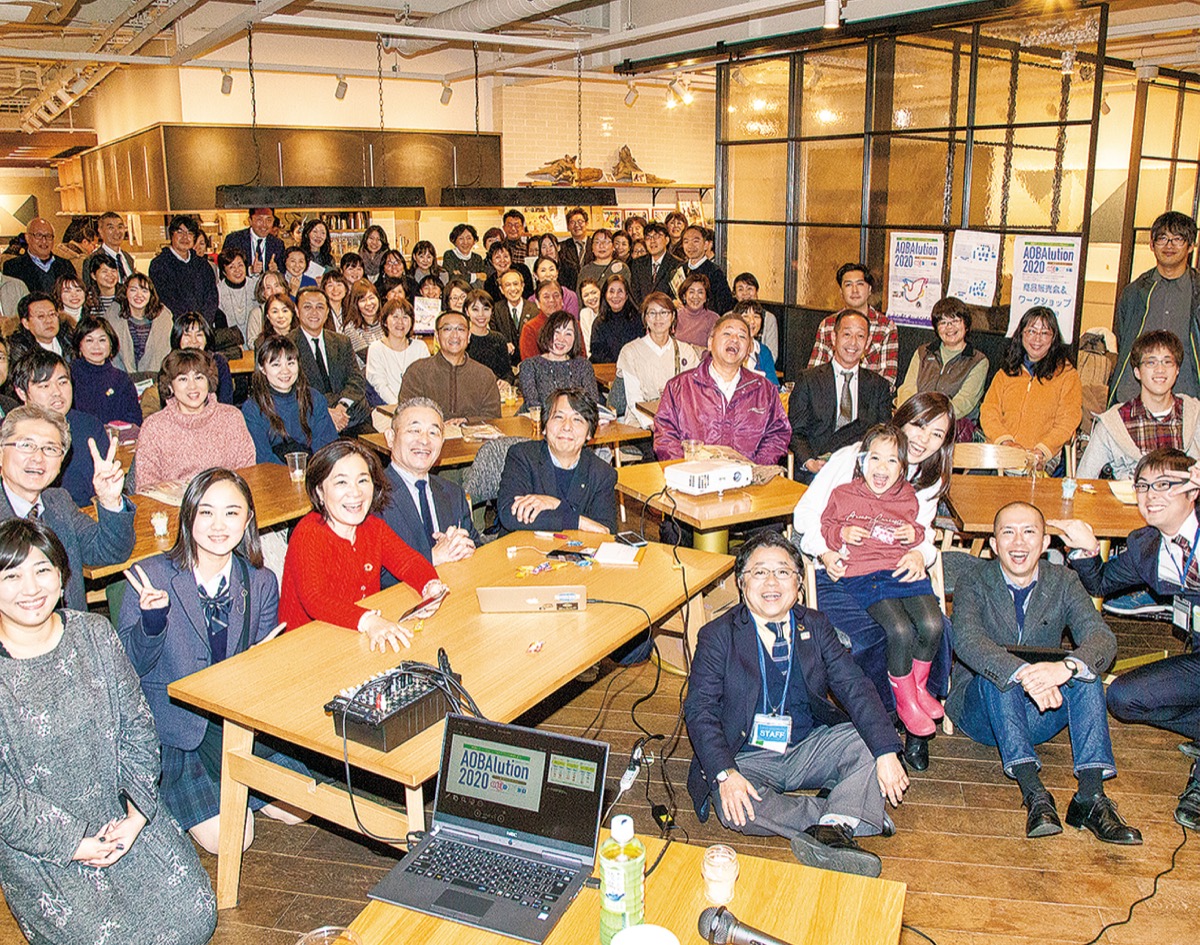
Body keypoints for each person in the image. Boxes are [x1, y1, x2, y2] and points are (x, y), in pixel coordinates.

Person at [0, 517, 217, 945]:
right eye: (12, 576)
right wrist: (74, 842)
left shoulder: (94, 633)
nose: (31, 588)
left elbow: (138, 726)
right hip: (44, 842)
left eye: (42, 570)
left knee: (195, 919)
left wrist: (136, 814)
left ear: (62, 576)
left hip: (119, 811)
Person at [684, 530, 907, 877]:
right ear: (742, 583)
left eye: (783, 572)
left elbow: (855, 686)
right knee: (735, 810)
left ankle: (842, 817)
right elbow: (699, 710)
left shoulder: (815, 625)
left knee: (870, 743)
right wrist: (726, 774)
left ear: (799, 584)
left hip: (807, 746)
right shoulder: (717, 636)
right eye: (759, 572)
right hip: (747, 757)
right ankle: (844, 817)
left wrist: (885, 752)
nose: (772, 582)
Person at [117, 468, 308, 855]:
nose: (219, 525)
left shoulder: (259, 580)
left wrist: (261, 662)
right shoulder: (152, 576)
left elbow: (263, 662)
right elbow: (127, 670)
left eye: (231, 513)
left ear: (248, 520)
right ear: (188, 516)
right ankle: (188, 799)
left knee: (300, 809)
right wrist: (152, 623)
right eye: (206, 512)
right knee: (233, 838)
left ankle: (237, 792)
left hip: (230, 721)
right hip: (178, 731)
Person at [949, 501, 1140, 843]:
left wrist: (1065, 668)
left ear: (1045, 542)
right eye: (1008, 533)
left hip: (1041, 713)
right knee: (998, 674)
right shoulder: (973, 580)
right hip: (981, 713)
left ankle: (1091, 797)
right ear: (993, 544)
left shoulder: (1064, 580)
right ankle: (1034, 793)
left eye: (1029, 532)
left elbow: (1102, 639)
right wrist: (1025, 674)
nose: (1018, 543)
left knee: (1085, 671)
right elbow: (967, 640)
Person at [793, 392, 955, 769]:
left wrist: (920, 553)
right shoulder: (853, 458)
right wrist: (826, 551)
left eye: (937, 434)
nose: (923, 439)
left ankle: (915, 721)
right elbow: (805, 518)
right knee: (877, 634)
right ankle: (883, 721)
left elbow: (923, 534)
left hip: (894, 572)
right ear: (902, 420)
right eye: (919, 425)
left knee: (937, 626)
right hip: (840, 570)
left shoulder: (927, 480)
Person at [1052, 447, 1200, 831]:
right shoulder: (1146, 546)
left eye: (1164, 484)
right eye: (1143, 486)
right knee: (1121, 697)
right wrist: (1086, 546)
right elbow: (1101, 582)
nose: (1151, 495)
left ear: (1193, 489)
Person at [819, 424, 945, 741]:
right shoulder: (843, 494)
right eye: (875, 458)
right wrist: (841, 533)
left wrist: (913, 534)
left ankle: (917, 688)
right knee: (899, 630)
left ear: (902, 468)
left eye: (892, 461)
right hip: (866, 574)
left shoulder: (908, 496)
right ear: (862, 461)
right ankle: (905, 701)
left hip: (901, 570)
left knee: (932, 624)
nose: (882, 468)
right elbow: (826, 526)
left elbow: (919, 530)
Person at [279, 440, 442, 644]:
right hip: (308, 644)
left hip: (355, 634)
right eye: (341, 482)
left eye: (363, 480)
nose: (355, 492)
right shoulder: (308, 533)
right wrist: (368, 621)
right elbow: (315, 598)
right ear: (320, 491)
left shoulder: (373, 527)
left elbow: (408, 562)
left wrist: (430, 586)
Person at [0, 404, 134, 610]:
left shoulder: (59, 502)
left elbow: (110, 552)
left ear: (62, 460)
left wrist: (110, 501)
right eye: (26, 445)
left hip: (70, 626)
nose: (38, 458)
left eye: (50, 449)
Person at [655, 314, 791, 465]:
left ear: (748, 350)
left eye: (742, 336)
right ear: (710, 343)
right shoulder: (679, 387)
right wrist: (687, 469)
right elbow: (665, 436)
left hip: (747, 476)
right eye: (727, 333)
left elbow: (777, 433)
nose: (734, 339)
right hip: (694, 475)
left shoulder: (764, 390)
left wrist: (756, 468)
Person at [1078, 330, 1200, 480]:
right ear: (1137, 372)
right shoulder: (1114, 423)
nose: (1160, 370)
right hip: (1131, 493)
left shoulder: (1194, 415)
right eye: (1151, 362)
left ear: (1177, 370)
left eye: (1167, 362)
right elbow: (1083, 479)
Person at [789, 310, 893, 482]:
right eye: (847, 334)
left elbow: (884, 435)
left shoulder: (878, 386)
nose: (853, 342)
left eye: (860, 336)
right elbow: (795, 431)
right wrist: (810, 462)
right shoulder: (808, 380)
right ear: (834, 338)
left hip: (860, 473)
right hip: (816, 470)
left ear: (867, 342)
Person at [497, 387, 616, 535]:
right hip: (523, 547)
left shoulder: (602, 473)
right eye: (559, 417)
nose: (567, 426)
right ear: (544, 426)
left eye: (577, 419)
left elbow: (605, 530)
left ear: (589, 433)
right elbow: (509, 514)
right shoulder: (523, 456)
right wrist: (577, 521)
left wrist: (555, 504)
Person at [380, 397, 481, 569]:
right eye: (414, 430)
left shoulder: (453, 493)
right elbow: (371, 574)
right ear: (390, 438)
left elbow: (476, 548)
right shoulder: (373, 496)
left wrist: (464, 549)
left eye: (433, 433)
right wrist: (432, 558)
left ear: (442, 442)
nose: (424, 440)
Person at [1110, 211, 1200, 404]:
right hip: (1133, 397)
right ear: (1152, 245)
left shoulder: (1197, 292)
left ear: (1191, 245)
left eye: (1178, 239)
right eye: (1162, 238)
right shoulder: (1134, 292)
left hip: (1188, 399)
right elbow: (1123, 337)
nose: (1169, 245)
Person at [979, 306, 1082, 473]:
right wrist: (1005, 442)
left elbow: (1068, 421)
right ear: (1021, 334)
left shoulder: (1067, 375)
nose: (1037, 339)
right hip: (1000, 450)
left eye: (1045, 333)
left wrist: (1042, 450)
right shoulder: (1006, 372)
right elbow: (988, 411)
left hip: (1041, 456)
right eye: (1031, 331)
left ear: (1053, 338)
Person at [135, 349, 255, 490]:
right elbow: (145, 487)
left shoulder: (231, 418)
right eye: (183, 379)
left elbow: (248, 475)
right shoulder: (154, 428)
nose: (192, 386)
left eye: (199, 377)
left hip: (226, 499)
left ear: (208, 382)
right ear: (170, 386)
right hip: (172, 503)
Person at [10, 349, 110, 507]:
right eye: (44, 386)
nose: (57, 392)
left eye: (63, 382)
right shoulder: (8, 433)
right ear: (22, 393)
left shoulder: (90, 427)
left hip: (84, 516)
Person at [896, 296, 989, 442]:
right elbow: (907, 388)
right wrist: (913, 416)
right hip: (915, 422)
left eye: (955, 321)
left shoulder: (978, 361)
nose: (949, 327)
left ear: (966, 324)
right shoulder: (923, 352)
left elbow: (964, 402)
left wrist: (930, 420)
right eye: (943, 322)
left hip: (952, 431)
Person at [242, 334, 340, 464]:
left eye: (291, 363)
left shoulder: (315, 399)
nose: (285, 371)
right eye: (276, 364)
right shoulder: (252, 409)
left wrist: (311, 473)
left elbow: (327, 450)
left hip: (314, 470)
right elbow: (263, 457)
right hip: (273, 473)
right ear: (262, 368)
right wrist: (294, 472)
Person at [615, 292, 703, 429]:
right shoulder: (630, 351)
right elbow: (634, 399)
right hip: (641, 424)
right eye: (652, 313)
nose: (658, 318)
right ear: (645, 318)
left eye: (664, 312)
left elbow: (694, 393)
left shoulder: (686, 351)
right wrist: (652, 424)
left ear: (673, 316)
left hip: (678, 420)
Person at [291, 285, 370, 435]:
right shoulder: (287, 346)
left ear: (327, 311)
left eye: (320, 307)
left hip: (350, 416)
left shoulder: (341, 342)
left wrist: (342, 406)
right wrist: (326, 412)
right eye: (307, 307)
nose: (314, 312)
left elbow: (356, 379)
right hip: (312, 420)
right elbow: (293, 391)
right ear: (296, 310)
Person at [399, 310, 502, 423]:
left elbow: (493, 417)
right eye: (447, 329)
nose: (455, 335)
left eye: (460, 329)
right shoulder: (417, 372)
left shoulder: (485, 375)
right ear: (437, 336)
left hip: (474, 434)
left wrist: (466, 421)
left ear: (468, 336)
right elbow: (407, 414)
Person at [808, 263, 898, 390]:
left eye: (860, 284)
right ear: (841, 292)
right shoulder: (828, 325)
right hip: (831, 394)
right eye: (848, 285)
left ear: (870, 289)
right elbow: (814, 372)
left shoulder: (886, 327)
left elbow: (887, 380)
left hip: (869, 397)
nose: (854, 290)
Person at [70, 316, 143, 427]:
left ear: (111, 344)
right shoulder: (69, 376)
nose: (96, 346)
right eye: (89, 340)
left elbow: (135, 421)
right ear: (79, 345)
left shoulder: (122, 380)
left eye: (102, 340)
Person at [519, 310, 599, 410]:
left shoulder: (583, 365)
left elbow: (592, 404)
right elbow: (533, 406)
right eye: (557, 332)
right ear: (547, 332)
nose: (561, 339)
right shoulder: (530, 366)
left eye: (568, 334)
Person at [147, 215, 219, 324]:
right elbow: (165, 299)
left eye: (190, 233)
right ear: (171, 234)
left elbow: (212, 297)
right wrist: (187, 325)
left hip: (202, 327)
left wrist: (202, 323)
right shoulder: (159, 265)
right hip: (174, 326)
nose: (185, 237)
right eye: (180, 232)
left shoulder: (203, 265)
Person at [365, 297, 431, 403]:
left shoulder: (420, 347)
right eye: (395, 317)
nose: (400, 322)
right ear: (385, 322)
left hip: (417, 407)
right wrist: (399, 408)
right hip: (386, 407)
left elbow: (427, 383)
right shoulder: (376, 349)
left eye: (405, 317)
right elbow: (380, 386)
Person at [107, 271, 173, 374]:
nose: (139, 295)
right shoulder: (112, 315)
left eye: (144, 290)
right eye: (133, 290)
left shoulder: (163, 318)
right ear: (125, 292)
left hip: (155, 377)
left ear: (151, 295)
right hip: (119, 377)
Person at [172, 311, 234, 404]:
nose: (193, 341)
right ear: (178, 338)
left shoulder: (218, 363)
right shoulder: (170, 365)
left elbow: (226, 402)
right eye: (187, 335)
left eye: (199, 335)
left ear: (206, 339)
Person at [2, 217, 76, 295]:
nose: (44, 241)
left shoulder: (65, 265)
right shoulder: (13, 266)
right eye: (38, 235)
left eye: (48, 236)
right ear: (27, 238)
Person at [678, 224, 733, 315]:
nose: (690, 245)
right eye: (686, 241)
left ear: (706, 245)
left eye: (696, 241)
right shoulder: (679, 270)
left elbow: (724, 306)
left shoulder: (715, 272)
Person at [589, 272, 643, 363]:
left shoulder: (638, 319)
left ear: (626, 295)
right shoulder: (599, 323)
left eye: (620, 291)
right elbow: (597, 353)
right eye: (611, 291)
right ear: (605, 295)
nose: (615, 296)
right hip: (607, 368)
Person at [7, 292, 74, 364]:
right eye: (41, 316)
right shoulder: (19, 350)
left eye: (52, 314)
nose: (49, 321)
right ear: (26, 323)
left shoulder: (69, 340)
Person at [629, 221, 683, 308]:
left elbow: (677, 295)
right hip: (643, 312)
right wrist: (645, 311)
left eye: (656, 236)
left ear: (667, 240)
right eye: (648, 237)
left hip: (666, 312)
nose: (652, 241)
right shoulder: (638, 263)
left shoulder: (677, 264)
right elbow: (634, 293)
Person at [464, 289, 513, 382]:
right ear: (467, 311)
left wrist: (506, 382)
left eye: (486, 309)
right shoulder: (463, 339)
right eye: (475, 309)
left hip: (495, 387)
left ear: (492, 311)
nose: (481, 314)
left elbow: (507, 372)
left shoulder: (498, 339)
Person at [217, 246, 262, 343]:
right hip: (231, 344)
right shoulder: (218, 291)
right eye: (231, 267)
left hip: (256, 340)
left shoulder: (255, 286)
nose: (237, 270)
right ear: (224, 272)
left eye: (240, 265)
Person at [223, 206, 285, 275]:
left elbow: (283, 272)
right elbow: (225, 270)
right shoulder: (234, 240)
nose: (264, 225)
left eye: (269, 220)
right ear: (250, 220)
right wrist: (250, 270)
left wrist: (276, 271)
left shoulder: (278, 244)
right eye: (259, 220)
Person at [731, 272, 779, 360]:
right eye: (740, 289)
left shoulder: (768, 318)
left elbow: (772, 355)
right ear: (735, 294)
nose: (745, 293)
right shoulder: (728, 317)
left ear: (757, 291)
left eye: (749, 289)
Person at [732, 299, 778, 387]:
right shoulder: (729, 348)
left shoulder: (764, 351)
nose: (752, 321)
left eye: (756, 316)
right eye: (746, 316)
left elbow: (773, 386)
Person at [342, 279, 385, 363]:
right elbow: (369, 358)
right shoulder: (351, 329)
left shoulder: (387, 322)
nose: (368, 303)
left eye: (371, 298)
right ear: (355, 304)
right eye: (363, 300)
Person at [492, 267, 534, 351]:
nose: (513, 288)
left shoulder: (535, 309)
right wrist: (503, 345)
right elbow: (493, 338)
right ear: (501, 289)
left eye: (515, 284)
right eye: (507, 285)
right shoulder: (495, 310)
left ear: (522, 286)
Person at [672, 272, 719, 348]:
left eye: (700, 292)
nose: (695, 296)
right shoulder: (674, 316)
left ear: (706, 297)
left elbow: (716, 349)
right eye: (691, 292)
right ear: (684, 296)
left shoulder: (713, 319)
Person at [93, 210, 138, 281]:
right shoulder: (93, 260)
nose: (117, 232)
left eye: (120, 227)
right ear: (101, 231)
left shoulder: (128, 258)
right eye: (111, 228)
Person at [81, 252, 121, 321]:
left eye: (113, 271)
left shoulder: (126, 295)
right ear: (93, 276)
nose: (110, 275)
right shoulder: (88, 299)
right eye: (104, 271)